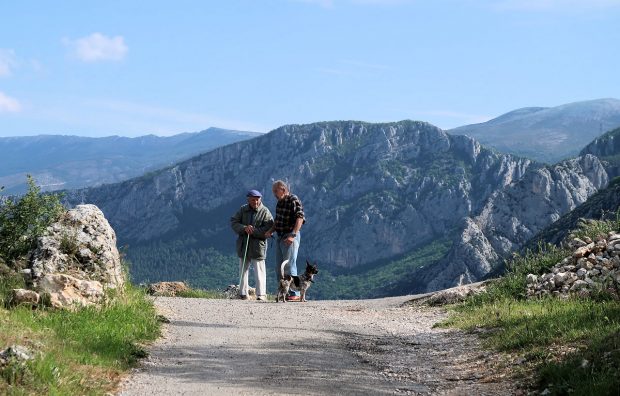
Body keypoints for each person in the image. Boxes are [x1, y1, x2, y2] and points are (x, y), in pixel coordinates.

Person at [265, 180, 305, 302]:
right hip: (280, 236)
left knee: (289, 264)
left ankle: (294, 292)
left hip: (289, 236)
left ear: (283, 189)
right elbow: (277, 221)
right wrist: (271, 231)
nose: (274, 194)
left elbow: (300, 217)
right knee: (279, 267)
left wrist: (293, 235)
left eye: (275, 191)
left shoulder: (293, 199)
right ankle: (283, 292)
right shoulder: (279, 203)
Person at [230, 189, 274, 301]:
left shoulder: (265, 211)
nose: (255, 202)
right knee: (243, 269)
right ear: (248, 200)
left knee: (259, 270)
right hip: (244, 244)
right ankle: (243, 293)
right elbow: (234, 222)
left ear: (260, 199)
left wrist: (253, 231)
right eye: (253, 200)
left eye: (257, 200)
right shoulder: (243, 209)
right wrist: (244, 228)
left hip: (258, 246)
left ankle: (261, 295)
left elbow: (269, 227)